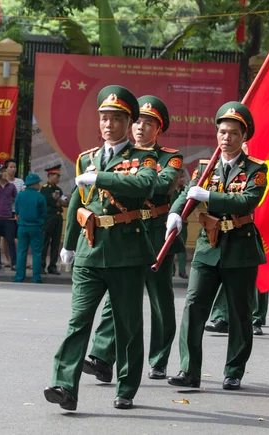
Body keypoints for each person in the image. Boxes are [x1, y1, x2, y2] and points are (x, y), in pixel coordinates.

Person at [43, 85, 157, 411]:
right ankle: (64, 385)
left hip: (126, 253)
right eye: (104, 118)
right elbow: (77, 202)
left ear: (129, 122)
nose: (108, 124)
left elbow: (144, 184)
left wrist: (101, 179)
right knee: (78, 321)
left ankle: (126, 387)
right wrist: (67, 244)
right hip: (90, 250)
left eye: (116, 118)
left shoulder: (142, 158)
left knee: (127, 325)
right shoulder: (86, 159)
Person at [165, 102, 268, 391]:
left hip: (240, 247)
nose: (226, 138)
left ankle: (233, 370)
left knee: (239, 312)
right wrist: (175, 212)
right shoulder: (205, 167)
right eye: (222, 132)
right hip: (207, 247)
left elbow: (246, 201)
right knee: (194, 306)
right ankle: (189, 370)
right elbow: (188, 194)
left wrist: (209, 194)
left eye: (233, 133)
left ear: (243, 136)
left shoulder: (256, 169)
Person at [82, 95, 183, 383]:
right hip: (124, 235)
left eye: (148, 123)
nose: (140, 128)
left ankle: (159, 358)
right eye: (137, 122)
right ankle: (102, 356)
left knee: (159, 299)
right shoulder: (117, 155)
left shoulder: (168, 157)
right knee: (116, 299)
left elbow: (160, 185)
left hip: (155, 233)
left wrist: (132, 182)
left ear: (159, 129)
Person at [13, 173, 46, 283]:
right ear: (35, 184)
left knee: (21, 252)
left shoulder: (20, 195)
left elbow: (16, 211)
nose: (39, 185)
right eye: (38, 183)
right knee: (36, 253)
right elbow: (44, 213)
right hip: (36, 227)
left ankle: (19, 277)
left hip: (22, 227)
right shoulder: (40, 197)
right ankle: (36, 278)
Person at [40, 165, 68, 275]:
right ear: (50, 175)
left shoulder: (58, 189)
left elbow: (65, 203)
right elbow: (51, 202)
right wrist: (57, 202)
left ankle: (52, 265)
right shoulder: (45, 188)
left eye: (59, 176)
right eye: (56, 176)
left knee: (56, 242)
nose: (58, 178)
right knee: (45, 242)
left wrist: (58, 201)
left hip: (57, 218)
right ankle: (41, 265)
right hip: (49, 217)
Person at [3, 158, 25, 266]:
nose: (13, 169)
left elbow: (22, 196)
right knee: (6, 237)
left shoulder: (20, 182)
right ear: (6, 169)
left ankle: (20, 259)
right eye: (10, 167)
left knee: (19, 236)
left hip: (17, 212)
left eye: (14, 167)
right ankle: (7, 259)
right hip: (6, 212)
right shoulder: (2, 181)